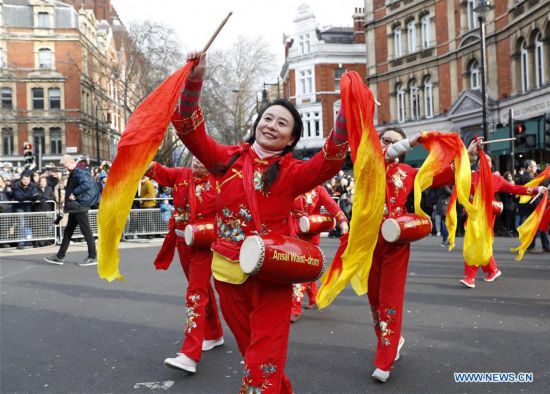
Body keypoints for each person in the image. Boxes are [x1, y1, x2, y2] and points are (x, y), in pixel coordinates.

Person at [171, 51, 349, 393]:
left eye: (282, 124)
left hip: (272, 275)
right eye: (268, 119)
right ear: (257, 124)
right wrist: (196, 79)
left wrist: (346, 114)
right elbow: (188, 129)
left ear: (292, 139)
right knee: (255, 356)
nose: (271, 126)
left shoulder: (294, 173)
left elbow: (328, 162)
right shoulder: (226, 160)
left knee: (262, 363)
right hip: (227, 275)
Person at [365, 127, 462, 383]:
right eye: (385, 140)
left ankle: (384, 360)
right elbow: (381, 155)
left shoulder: (408, 174)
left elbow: (442, 175)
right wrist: (408, 142)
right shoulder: (367, 164)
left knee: (389, 300)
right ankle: (392, 339)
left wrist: (468, 157)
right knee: (374, 299)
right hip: (367, 242)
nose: (388, 145)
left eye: (393, 142)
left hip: (396, 240)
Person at [145, 158, 224, 374]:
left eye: (203, 156)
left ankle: (190, 353)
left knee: (195, 293)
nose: (199, 161)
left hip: (205, 244)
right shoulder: (180, 175)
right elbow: (154, 170)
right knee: (201, 289)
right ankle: (214, 333)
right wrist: (137, 152)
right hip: (182, 242)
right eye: (195, 156)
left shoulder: (221, 180)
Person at [459, 153, 546, 288]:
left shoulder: (496, 179)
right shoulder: (470, 175)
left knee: (476, 244)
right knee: (481, 244)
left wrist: (536, 189)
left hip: (487, 218)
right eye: (482, 159)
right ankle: (493, 270)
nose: (484, 162)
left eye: (487, 160)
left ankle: (470, 277)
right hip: (472, 216)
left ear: (491, 164)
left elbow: (516, 189)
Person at [289, 185, 349, 322]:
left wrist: (343, 221)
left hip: (311, 234)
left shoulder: (319, 190)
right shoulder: (294, 184)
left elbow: (332, 205)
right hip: (292, 232)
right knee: (304, 269)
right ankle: (314, 297)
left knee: (302, 271)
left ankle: (295, 308)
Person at [44, 155, 99, 266]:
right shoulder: (76, 172)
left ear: (70, 162)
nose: (65, 168)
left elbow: (86, 184)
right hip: (76, 206)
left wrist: (75, 193)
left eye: (65, 165)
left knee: (86, 231)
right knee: (68, 231)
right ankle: (60, 256)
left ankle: (93, 256)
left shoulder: (79, 172)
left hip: (79, 206)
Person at [517, 160, 550, 253]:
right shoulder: (525, 178)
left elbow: (541, 185)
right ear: (528, 168)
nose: (536, 168)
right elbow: (538, 186)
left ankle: (545, 245)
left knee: (540, 225)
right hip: (530, 205)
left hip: (535, 205)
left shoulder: (532, 177)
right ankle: (531, 246)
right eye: (534, 166)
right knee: (533, 226)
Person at [12, 172, 40, 248]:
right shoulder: (16, 185)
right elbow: (18, 197)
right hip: (19, 207)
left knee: (27, 224)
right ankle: (20, 242)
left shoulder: (32, 185)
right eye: (24, 179)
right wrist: (30, 196)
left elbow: (36, 195)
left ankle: (28, 241)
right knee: (21, 224)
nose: (26, 181)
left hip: (28, 206)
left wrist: (28, 197)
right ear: (21, 179)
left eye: (27, 180)